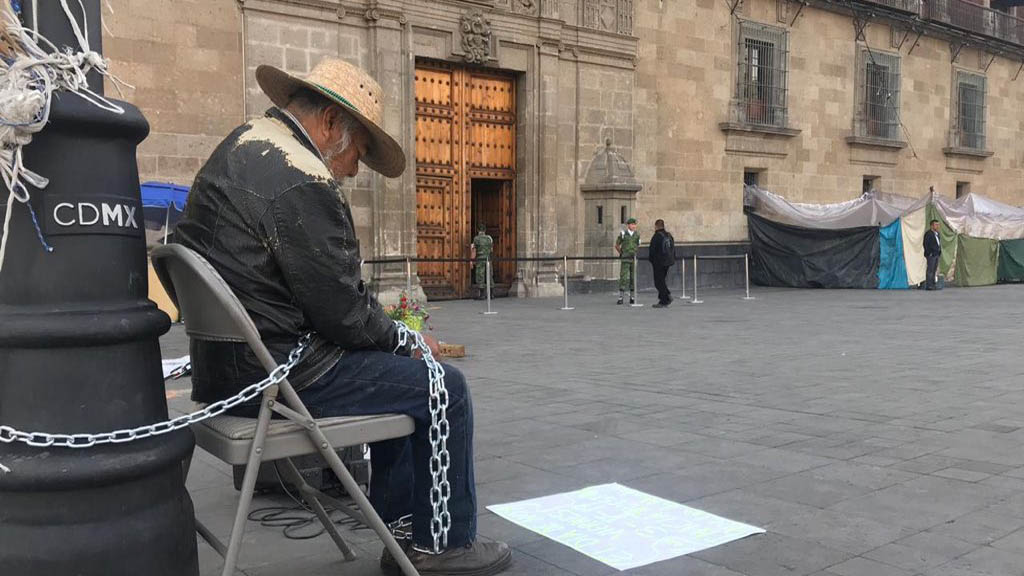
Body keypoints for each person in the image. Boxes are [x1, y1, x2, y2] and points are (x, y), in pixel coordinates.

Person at [174, 58, 511, 575]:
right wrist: (410, 340)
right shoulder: (300, 176)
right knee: (444, 387)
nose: (353, 169)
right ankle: (440, 545)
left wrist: (393, 341)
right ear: (331, 122)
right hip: (278, 377)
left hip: (226, 371)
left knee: (401, 375)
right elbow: (343, 315)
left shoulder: (242, 145)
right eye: (358, 151)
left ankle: (402, 530)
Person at [648, 219, 675, 307]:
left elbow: (652, 250)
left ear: (656, 226)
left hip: (658, 262)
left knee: (658, 282)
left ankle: (665, 300)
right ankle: (665, 297)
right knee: (662, 281)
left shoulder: (656, 236)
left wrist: (652, 260)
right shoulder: (669, 235)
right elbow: (673, 249)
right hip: (668, 262)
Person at [615, 217, 640, 305]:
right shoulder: (623, 234)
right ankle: (621, 297)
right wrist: (621, 253)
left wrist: (635, 252)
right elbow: (617, 245)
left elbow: (637, 245)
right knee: (624, 277)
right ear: (628, 225)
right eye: (632, 224)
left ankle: (632, 297)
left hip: (633, 258)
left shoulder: (637, 235)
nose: (634, 226)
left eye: (634, 224)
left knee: (633, 277)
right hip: (625, 258)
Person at [470, 224, 493, 300]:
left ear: (478, 230)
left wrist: (472, 261)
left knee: (480, 275)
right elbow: (491, 249)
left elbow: (474, 250)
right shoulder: (489, 238)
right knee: (489, 275)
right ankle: (491, 294)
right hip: (488, 258)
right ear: (485, 230)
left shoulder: (476, 239)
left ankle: (482, 295)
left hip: (480, 259)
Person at [924, 219, 942, 290]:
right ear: (931, 226)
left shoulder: (937, 234)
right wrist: (929, 253)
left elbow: (938, 244)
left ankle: (933, 284)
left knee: (934, 270)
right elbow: (925, 244)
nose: (937, 226)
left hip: (936, 254)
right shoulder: (928, 234)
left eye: (938, 225)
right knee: (930, 270)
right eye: (936, 225)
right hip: (931, 255)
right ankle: (929, 285)